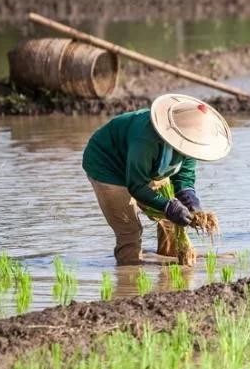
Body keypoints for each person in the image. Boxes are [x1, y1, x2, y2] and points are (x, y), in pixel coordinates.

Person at [82, 94, 232, 265]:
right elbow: (136, 185)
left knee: (171, 220)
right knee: (130, 231)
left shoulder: (191, 144)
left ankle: (171, 266)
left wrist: (192, 204)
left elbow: (184, 178)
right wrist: (168, 205)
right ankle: (130, 274)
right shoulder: (146, 140)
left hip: (144, 167)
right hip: (107, 167)